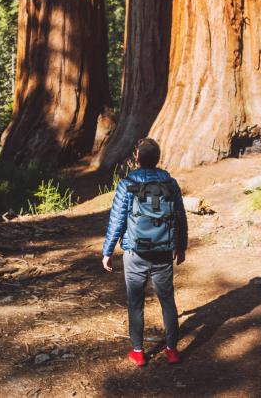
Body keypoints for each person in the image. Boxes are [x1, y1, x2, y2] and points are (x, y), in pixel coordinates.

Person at [101, 138, 188, 366]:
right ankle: (171, 350)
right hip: (163, 251)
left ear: (137, 158)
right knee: (167, 301)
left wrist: (107, 251)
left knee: (136, 302)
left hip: (135, 254)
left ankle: (138, 352)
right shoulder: (170, 183)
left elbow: (117, 220)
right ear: (158, 158)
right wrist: (181, 246)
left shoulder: (127, 184)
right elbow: (180, 216)